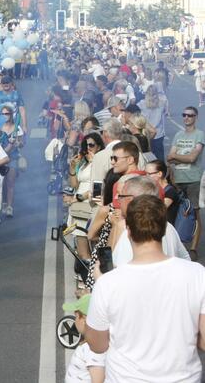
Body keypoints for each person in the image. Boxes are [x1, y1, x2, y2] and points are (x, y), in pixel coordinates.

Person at [85, 194, 205, 382]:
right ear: (165, 228)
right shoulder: (197, 274)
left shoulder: (108, 283)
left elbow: (97, 344)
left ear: (129, 231)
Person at [167, 106, 205, 258]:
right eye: (184, 115)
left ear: (196, 117)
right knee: (177, 213)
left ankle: (194, 247)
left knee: (194, 214)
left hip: (193, 179)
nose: (187, 118)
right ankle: (178, 245)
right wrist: (177, 157)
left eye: (190, 115)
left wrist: (176, 157)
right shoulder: (178, 135)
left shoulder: (199, 135)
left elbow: (192, 158)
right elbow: (169, 157)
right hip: (178, 179)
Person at [62, 294, 105, 383]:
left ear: (85, 320)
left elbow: (98, 380)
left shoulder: (93, 349)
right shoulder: (92, 345)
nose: (75, 319)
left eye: (77, 315)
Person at [0, 103, 24, 217]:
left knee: (10, 182)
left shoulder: (17, 128)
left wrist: (18, 142)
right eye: (2, 114)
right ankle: (1, 203)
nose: (5, 116)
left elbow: (22, 143)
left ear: (11, 114)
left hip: (12, 157)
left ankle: (9, 206)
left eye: (7, 113)